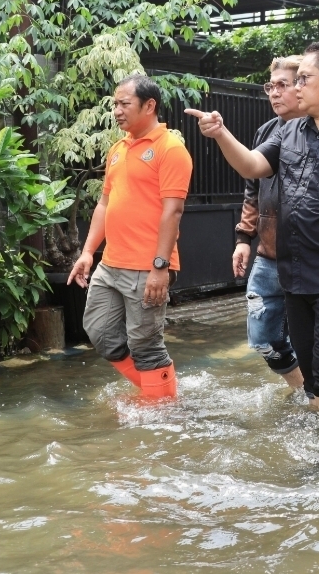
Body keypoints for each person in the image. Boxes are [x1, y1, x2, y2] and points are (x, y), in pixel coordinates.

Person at [187, 41, 319, 452]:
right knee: (313, 369)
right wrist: (220, 134)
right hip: (296, 274)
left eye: (303, 78)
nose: (294, 87)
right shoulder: (289, 132)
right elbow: (252, 165)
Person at [68, 74, 192, 398]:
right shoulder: (117, 149)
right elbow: (104, 203)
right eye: (115, 104)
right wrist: (87, 252)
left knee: (145, 345)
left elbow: (173, 211)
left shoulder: (171, 149)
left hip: (147, 266)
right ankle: (159, 392)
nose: (117, 111)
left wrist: (160, 267)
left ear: (149, 105)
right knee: (100, 332)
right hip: (110, 263)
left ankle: (159, 411)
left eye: (124, 103)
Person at [232, 56, 306, 396]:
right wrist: (244, 238)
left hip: (311, 255)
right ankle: (303, 387)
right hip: (269, 252)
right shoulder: (267, 131)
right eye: (270, 86)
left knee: (312, 335)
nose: (274, 93)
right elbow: (252, 187)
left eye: (282, 85)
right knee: (263, 337)